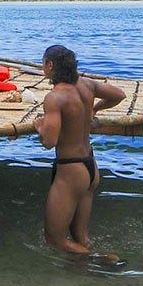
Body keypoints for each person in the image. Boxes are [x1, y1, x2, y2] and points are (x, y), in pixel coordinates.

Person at [32, 45, 127, 259]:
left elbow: (49, 141)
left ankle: (102, 261)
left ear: (50, 65)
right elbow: (119, 95)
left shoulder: (55, 97)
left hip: (71, 170)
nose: (42, 67)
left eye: (43, 63)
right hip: (90, 165)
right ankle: (86, 277)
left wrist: (40, 127)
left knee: (55, 239)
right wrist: (95, 108)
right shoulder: (88, 85)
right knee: (80, 236)